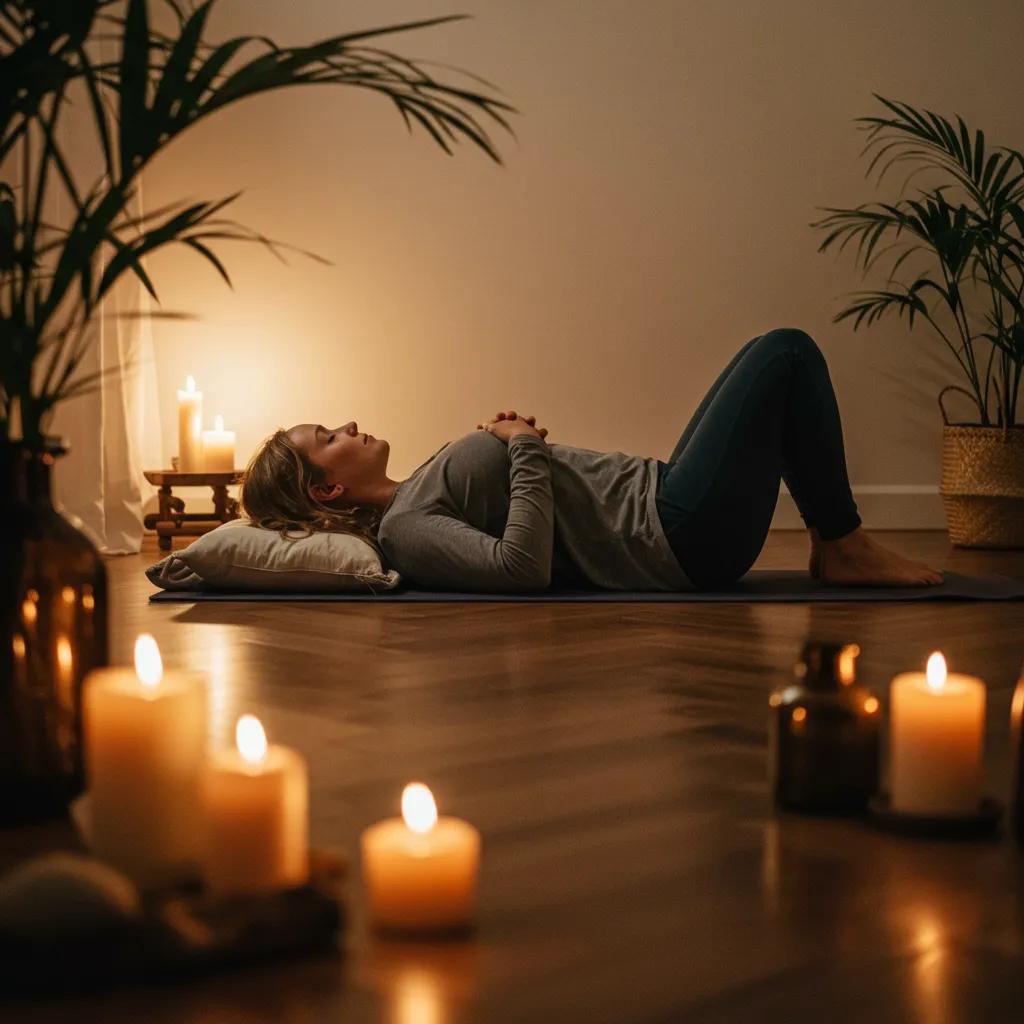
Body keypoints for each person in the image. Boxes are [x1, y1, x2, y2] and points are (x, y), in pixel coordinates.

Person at [238, 328, 944, 593]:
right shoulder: (406, 529)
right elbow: (521, 570)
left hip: (665, 499)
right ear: (327, 489)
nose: (349, 425)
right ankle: (844, 543)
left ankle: (836, 543)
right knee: (784, 354)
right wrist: (524, 449)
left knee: (772, 370)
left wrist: (521, 453)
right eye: (329, 434)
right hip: (676, 535)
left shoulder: (416, 492)